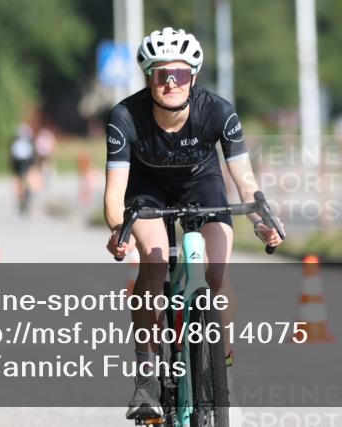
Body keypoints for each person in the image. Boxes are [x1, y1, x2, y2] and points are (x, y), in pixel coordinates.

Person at [103, 27, 283, 420]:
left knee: (217, 274)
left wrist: (261, 220)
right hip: (147, 190)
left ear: (194, 78)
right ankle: (147, 377)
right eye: (161, 74)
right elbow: (115, 193)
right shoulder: (124, 117)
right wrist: (118, 231)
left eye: (180, 75)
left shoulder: (218, 111)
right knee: (153, 262)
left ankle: (221, 357)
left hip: (203, 184)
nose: (171, 83)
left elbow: (245, 182)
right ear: (148, 77)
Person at [9, 124, 38, 214]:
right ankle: (26, 191)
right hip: (25, 161)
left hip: (20, 162)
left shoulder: (16, 142)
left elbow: (13, 156)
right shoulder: (28, 142)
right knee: (25, 178)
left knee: (20, 179)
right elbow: (32, 156)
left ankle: (24, 193)